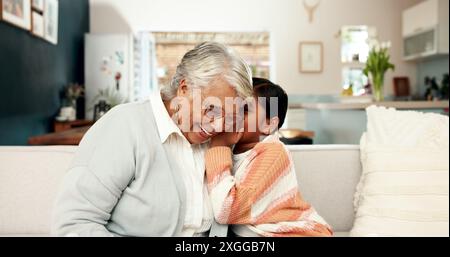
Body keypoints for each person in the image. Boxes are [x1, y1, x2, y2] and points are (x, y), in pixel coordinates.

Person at [51, 42, 254, 237]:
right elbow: (75, 223)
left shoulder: (222, 140)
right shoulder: (125, 125)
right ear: (184, 88)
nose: (218, 125)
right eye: (212, 109)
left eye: (228, 117)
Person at [205, 78, 333, 237]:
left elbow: (227, 210)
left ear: (268, 125)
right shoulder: (230, 150)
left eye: (245, 109)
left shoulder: (273, 151)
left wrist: (219, 146)